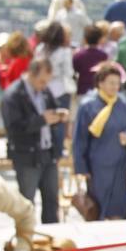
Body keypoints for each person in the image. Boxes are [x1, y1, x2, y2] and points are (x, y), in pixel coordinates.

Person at [2, 57, 66, 224]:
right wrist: (41, 120)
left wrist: (58, 115)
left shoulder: (44, 91)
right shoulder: (14, 94)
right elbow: (14, 127)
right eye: (42, 81)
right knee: (27, 202)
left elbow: (52, 108)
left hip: (48, 152)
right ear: (31, 74)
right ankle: (27, 237)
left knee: (52, 200)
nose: (44, 86)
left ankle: (54, 241)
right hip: (26, 156)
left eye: (47, 82)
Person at [72, 62, 126, 219]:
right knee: (98, 206)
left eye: (117, 83)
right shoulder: (88, 105)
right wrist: (81, 167)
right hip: (97, 165)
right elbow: (79, 138)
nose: (115, 87)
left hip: (120, 162)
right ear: (100, 83)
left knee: (118, 205)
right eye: (111, 83)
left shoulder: (124, 102)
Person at [35, 22, 76, 153]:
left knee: (45, 119)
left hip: (43, 88)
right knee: (60, 121)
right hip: (61, 89)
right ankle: (57, 151)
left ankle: (44, 147)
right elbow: (68, 72)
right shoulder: (65, 52)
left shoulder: (40, 49)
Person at [73, 23, 109, 97]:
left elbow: (73, 71)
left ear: (85, 39)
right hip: (98, 90)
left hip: (82, 89)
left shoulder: (79, 55)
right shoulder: (103, 55)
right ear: (99, 39)